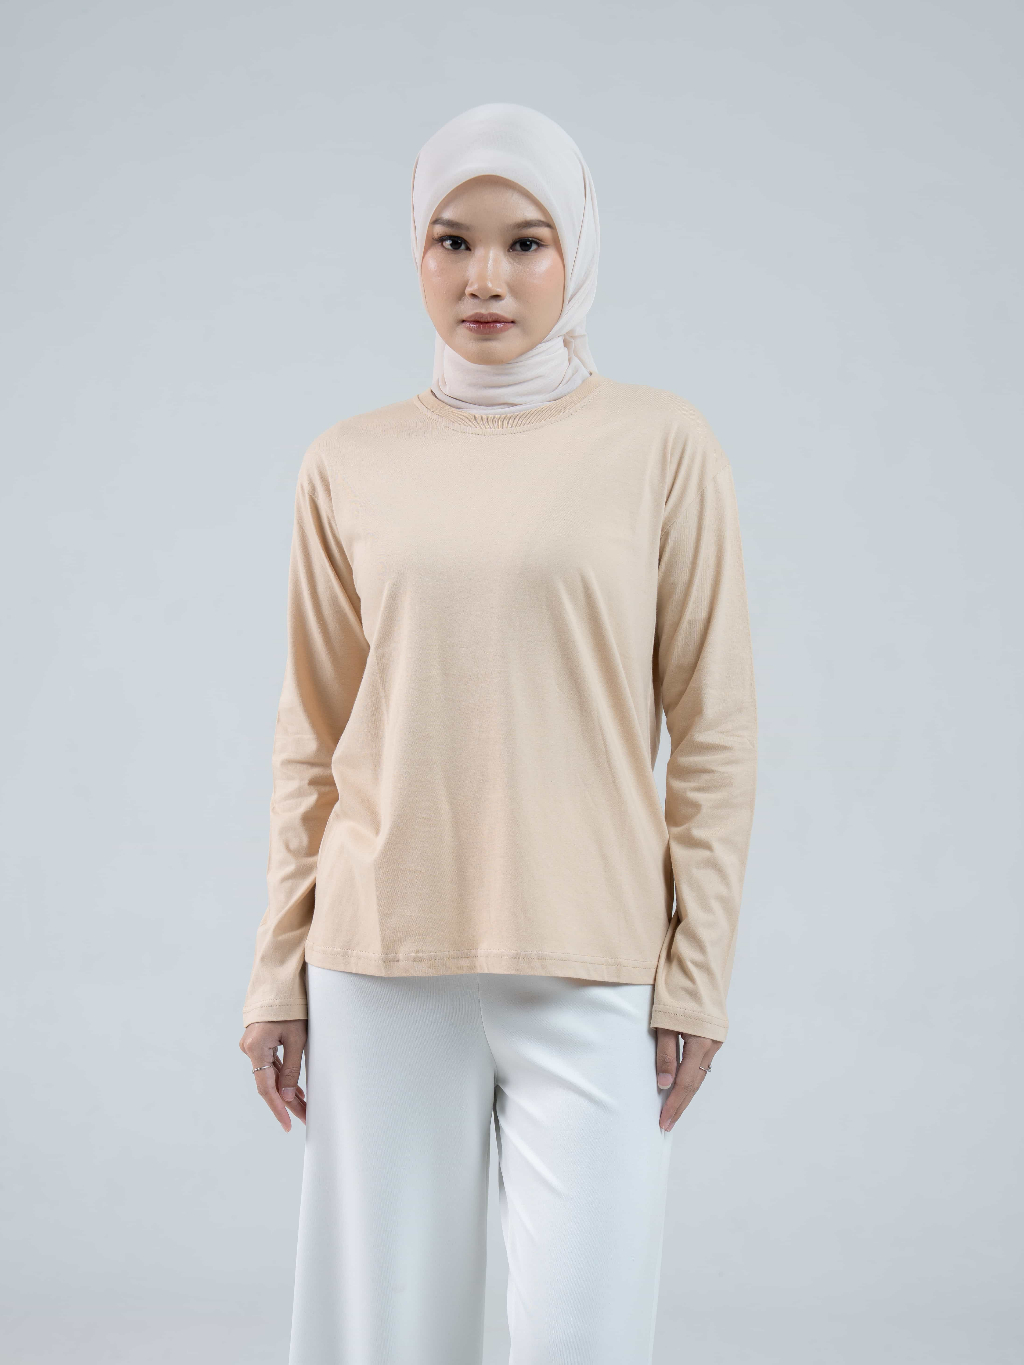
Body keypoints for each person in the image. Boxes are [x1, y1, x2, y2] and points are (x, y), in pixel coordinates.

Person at [238, 102, 757, 1365]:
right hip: (380, 962)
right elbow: (312, 735)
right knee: (384, 1341)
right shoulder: (347, 462)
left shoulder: (661, 446)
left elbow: (714, 729)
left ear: (576, 247)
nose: (484, 278)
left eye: (524, 242)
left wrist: (694, 972)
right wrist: (276, 969)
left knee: (584, 1337)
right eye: (451, 240)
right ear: (414, 251)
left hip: (590, 961)